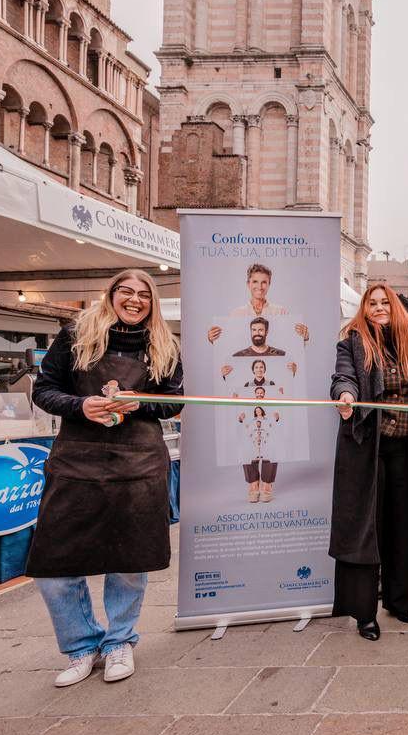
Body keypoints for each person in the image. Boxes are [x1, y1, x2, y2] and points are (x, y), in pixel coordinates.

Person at [27, 269, 183, 687]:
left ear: (152, 303)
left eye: (143, 295)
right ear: (111, 295)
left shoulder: (165, 345)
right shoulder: (76, 335)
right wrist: (82, 406)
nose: (134, 300)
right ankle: (81, 645)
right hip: (77, 462)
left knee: (129, 562)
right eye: (126, 292)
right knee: (54, 564)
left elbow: (173, 403)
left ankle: (118, 642)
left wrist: (142, 403)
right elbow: (43, 391)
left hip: (138, 465)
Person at [330, 284, 408, 640]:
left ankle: (400, 600)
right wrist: (345, 394)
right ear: (364, 309)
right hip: (366, 451)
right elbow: (343, 376)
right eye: (372, 303)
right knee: (367, 529)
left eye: (385, 303)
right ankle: (365, 613)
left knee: (402, 526)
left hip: (407, 451)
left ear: (395, 307)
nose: (379, 308)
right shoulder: (351, 341)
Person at [207, 263, 309, 344]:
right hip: (245, 367)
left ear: (269, 284)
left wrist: (303, 337)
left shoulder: (280, 312)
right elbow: (229, 344)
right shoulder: (236, 314)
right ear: (248, 284)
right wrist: (214, 339)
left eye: (264, 282)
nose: (260, 286)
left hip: (274, 367)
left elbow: (290, 343)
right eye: (255, 281)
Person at [238, 405, 281, 502]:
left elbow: (275, 425)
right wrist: (241, 420)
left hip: (267, 439)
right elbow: (244, 426)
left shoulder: (267, 419)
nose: (258, 412)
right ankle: (254, 485)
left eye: (259, 410)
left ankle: (266, 485)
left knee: (270, 456)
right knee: (248, 457)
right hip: (252, 439)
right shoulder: (251, 420)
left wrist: (277, 419)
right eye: (256, 410)